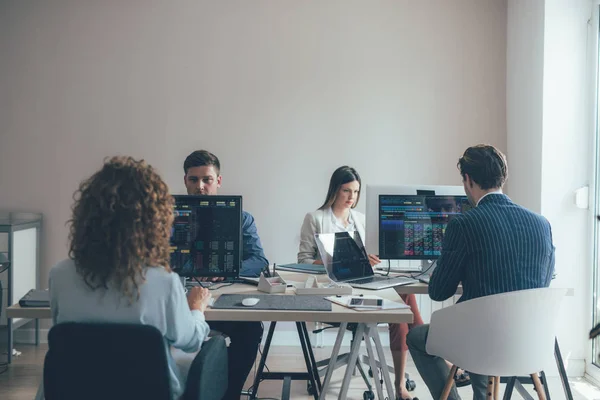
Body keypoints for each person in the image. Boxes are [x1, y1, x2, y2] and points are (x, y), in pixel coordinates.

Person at [49, 156, 218, 400]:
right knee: (213, 350)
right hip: (150, 392)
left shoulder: (60, 274)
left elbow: (65, 340)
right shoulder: (163, 281)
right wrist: (196, 308)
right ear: (154, 219)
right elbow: (190, 341)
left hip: (75, 391)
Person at [407, 144, 556, 400]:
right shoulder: (542, 224)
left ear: (467, 179)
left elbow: (439, 292)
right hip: (528, 340)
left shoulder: (463, 225)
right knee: (485, 323)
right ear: (503, 176)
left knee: (417, 337)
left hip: (482, 342)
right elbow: (544, 282)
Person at [297, 166, 424, 400]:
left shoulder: (362, 220)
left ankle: (399, 383)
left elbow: (371, 256)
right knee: (405, 302)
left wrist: (375, 258)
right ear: (335, 189)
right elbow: (303, 262)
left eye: (356, 192)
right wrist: (346, 258)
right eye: (346, 191)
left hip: (366, 284)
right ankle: (430, 349)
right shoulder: (315, 218)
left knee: (405, 295)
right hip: (334, 291)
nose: (351, 197)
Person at [183, 150, 268, 400]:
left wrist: (228, 270)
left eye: (206, 179)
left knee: (250, 330)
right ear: (185, 180)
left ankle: (229, 394)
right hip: (182, 298)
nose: (200, 186)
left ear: (218, 181)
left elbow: (259, 260)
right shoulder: (169, 218)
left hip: (225, 298)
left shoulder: (242, 219)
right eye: (193, 179)